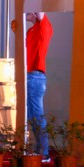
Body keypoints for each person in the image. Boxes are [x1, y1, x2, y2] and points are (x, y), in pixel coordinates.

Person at [25, 12, 53, 157]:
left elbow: (40, 9)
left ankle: (44, 152)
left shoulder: (44, 25)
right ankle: (38, 150)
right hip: (28, 74)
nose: (27, 12)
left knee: (37, 115)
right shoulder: (30, 30)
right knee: (31, 116)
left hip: (36, 76)